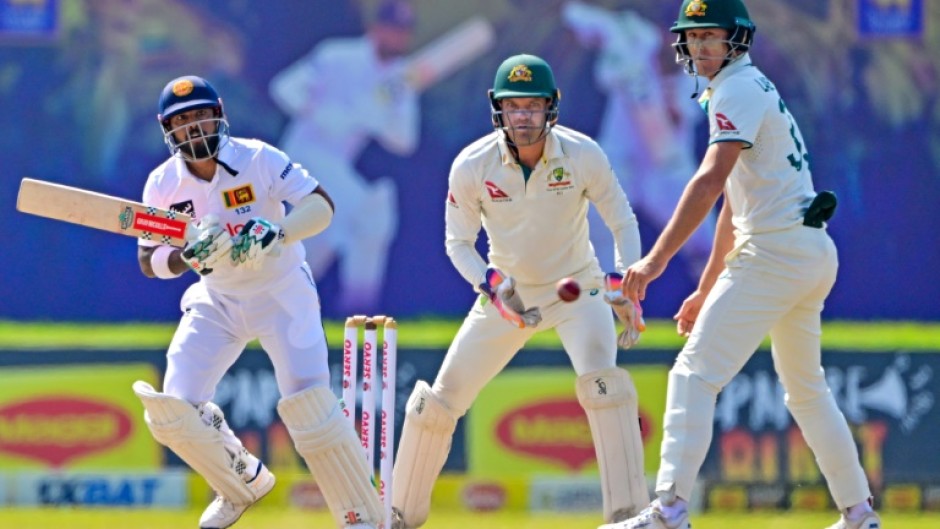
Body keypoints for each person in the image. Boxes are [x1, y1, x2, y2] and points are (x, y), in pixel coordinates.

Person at [602, 2, 881, 529]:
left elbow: (708, 181)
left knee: (693, 373)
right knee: (806, 390)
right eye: (694, 36)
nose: (701, 47)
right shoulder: (742, 90)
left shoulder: (737, 90)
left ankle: (669, 511)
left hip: (776, 253)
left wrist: (655, 261)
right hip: (805, 252)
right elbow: (733, 201)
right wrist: (705, 289)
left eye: (712, 36)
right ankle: (860, 514)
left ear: (737, 40)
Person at [390, 54, 649, 529]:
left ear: (551, 107)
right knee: (439, 400)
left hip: (578, 290)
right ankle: (398, 517)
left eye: (533, 106)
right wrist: (492, 287)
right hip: (508, 295)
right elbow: (458, 243)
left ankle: (628, 517)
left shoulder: (583, 153)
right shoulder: (472, 165)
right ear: (499, 110)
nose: (524, 117)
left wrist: (622, 283)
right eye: (514, 107)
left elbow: (622, 220)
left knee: (605, 385)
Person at [132, 75, 383, 529]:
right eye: (182, 121)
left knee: (311, 407)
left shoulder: (258, 158)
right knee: (172, 411)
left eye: (201, 115)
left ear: (219, 113)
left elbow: (321, 206)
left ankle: (362, 516)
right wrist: (187, 257)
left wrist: (277, 233)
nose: (194, 128)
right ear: (167, 129)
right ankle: (241, 482)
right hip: (217, 299)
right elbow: (150, 260)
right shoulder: (163, 184)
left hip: (281, 291)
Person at [268, 0, 420, 315]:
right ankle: (358, 309)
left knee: (317, 249)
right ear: (377, 28)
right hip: (302, 159)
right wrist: (317, 112)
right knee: (371, 212)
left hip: (336, 169)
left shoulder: (400, 79)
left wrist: (375, 120)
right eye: (393, 29)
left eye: (404, 31)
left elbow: (406, 140)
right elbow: (284, 88)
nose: (398, 38)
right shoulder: (335, 56)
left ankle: (343, 308)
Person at [561, 0, 713, 282]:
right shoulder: (629, 37)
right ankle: (607, 303)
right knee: (599, 230)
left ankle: (716, 310)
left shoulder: (700, 75)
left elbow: (676, 120)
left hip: (667, 167)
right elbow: (575, 16)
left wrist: (664, 89)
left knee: (706, 243)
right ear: (663, 32)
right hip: (620, 161)